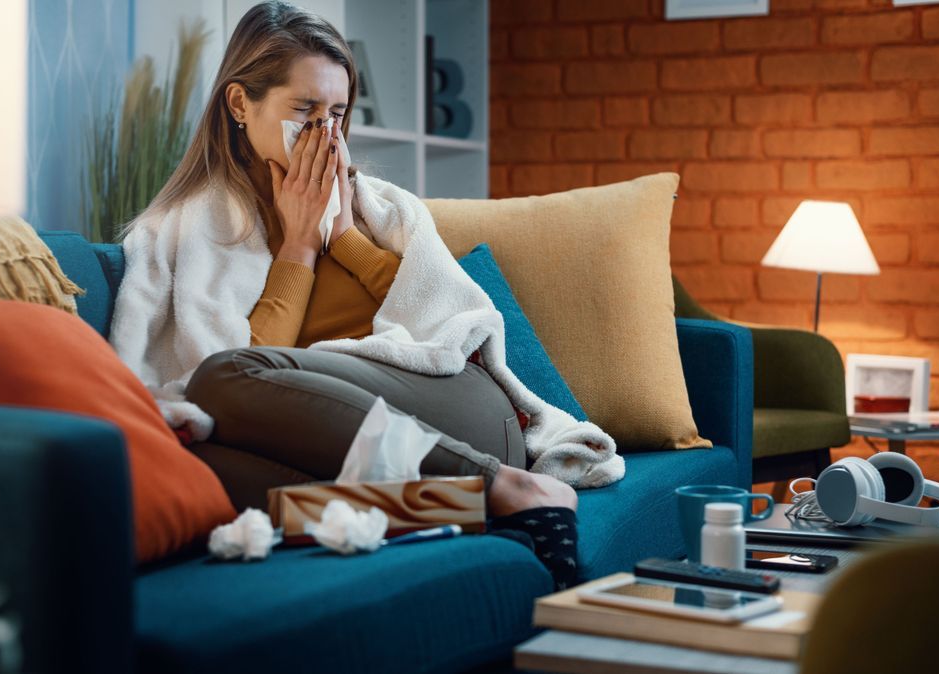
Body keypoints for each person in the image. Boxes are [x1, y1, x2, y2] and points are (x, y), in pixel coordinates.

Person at [109, 1, 622, 589]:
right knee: (199, 469)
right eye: (304, 110)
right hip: (338, 447)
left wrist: (344, 236)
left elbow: (452, 323)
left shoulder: (382, 210)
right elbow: (231, 387)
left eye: (337, 112)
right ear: (239, 104)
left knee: (223, 379)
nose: (325, 133)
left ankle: (507, 485)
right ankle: (465, 511)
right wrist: (298, 248)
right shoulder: (188, 230)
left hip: (460, 414)